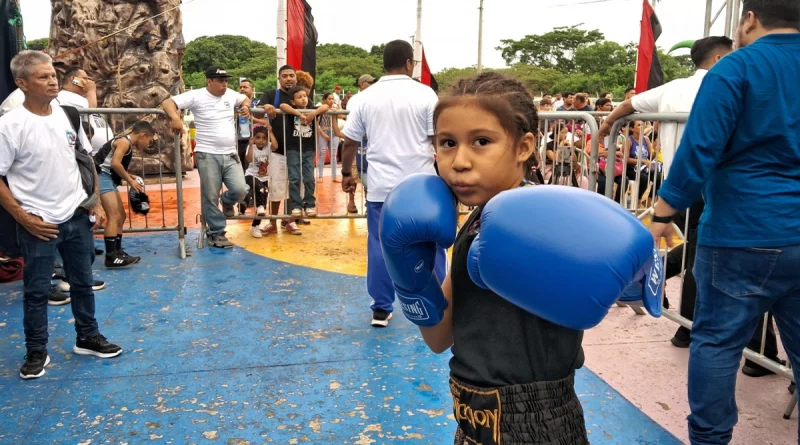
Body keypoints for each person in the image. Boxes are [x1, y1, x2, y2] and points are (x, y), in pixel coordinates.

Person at [379, 72, 656, 445]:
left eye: (481, 142)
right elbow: (439, 337)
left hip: (537, 423)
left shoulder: (547, 222)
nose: (458, 161)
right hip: (472, 417)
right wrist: (411, 279)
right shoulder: (477, 221)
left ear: (524, 146)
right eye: (447, 143)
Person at [649, 1, 800, 442]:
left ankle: (710, 438)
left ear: (750, 18)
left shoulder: (736, 69)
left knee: (716, 342)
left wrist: (663, 212)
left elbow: (700, 148)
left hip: (741, 230)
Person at [0, 51, 122, 380]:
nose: (53, 80)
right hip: (39, 224)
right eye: (43, 76)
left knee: (83, 282)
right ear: (22, 83)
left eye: (53, 74)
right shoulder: (10, 126)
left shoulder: (68, 114)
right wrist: (23, 218)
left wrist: (93, 201)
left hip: (77, 216)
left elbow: (84, 158)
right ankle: (36, 349)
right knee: (37, 291)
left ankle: (87, 336)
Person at [340, 40, 445, 328]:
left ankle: (381, 308)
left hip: (381, 188)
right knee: (430, 244)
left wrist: (347, 174)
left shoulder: (364, 98)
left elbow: (350, 141)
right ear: (410, 63)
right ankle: (438, 303)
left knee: (379, 245)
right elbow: (437, 140)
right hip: (421, 186)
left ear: (384, 64)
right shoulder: (426, 95)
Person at [162, 66, 251, 248]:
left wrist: (246, 106)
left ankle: (226, 201)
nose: (224, 84)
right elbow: (167, 103)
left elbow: (245, 98)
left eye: (226, 80)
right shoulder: (196, 95)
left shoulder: (231, 95)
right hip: (207, 154)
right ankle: (216, 232)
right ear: (209, 81)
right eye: (220, 81)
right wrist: (175, 118)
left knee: (241, 189)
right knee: (210, 195)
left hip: (230, 153)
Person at [94, 121, 155, 267]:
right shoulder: (124, 142)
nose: (148, 145)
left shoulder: (125, 142)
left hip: (108, 177)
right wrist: (129, 181)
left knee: (121, 216)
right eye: (149, 141)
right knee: (114, 216)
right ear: (143, 135)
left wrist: (129, 175)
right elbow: (115, 163)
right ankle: (111, 257)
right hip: (102, 177)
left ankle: (117, 251)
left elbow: (114, 164)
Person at [278, 86, 329, 218]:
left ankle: (310, 204)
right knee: (294, 177)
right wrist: (300, 114)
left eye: (305, 96)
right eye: (299, 97)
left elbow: (325, 107)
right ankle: (296, 205)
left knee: (309, 178)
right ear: (293, 101)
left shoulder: (313, 110)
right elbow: (283, 106)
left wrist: (312, 114)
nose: (303, 99)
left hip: (308, 149)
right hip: (293, 149)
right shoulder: (292, 111)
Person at [244, 126, 278, 238]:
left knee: (263, 204)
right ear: (254, 138)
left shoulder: (268, 146)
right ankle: (248, 204)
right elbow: (248, 159)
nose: (261, 140)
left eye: (264, 138)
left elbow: (276, 146)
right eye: (258, 138)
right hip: (251, 175)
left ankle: (255, 226)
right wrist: (250, 145)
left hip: (264, 177)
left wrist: (271, 132)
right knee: (260, 190)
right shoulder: (252, 147)